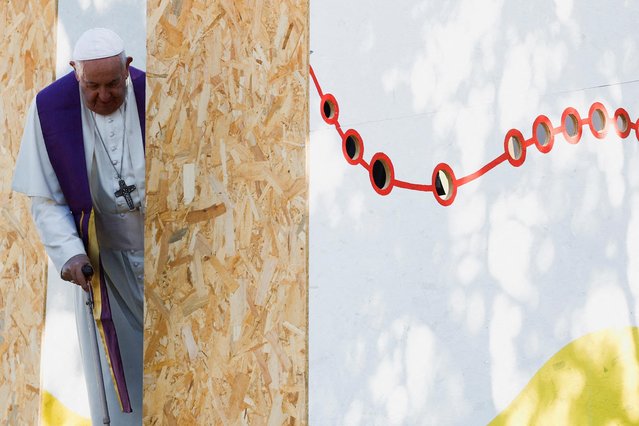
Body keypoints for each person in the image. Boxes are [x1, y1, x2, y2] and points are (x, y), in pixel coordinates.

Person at [12, 28, 144, 425]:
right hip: (104, 265)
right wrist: (69, 252)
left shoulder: (156, 94)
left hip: (168, 259)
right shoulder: (50, 108)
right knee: (123, 374)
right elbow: (47, 198)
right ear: (75, 73)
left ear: (128, 70)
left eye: (113, 85)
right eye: (92, 86)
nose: (103, 96)